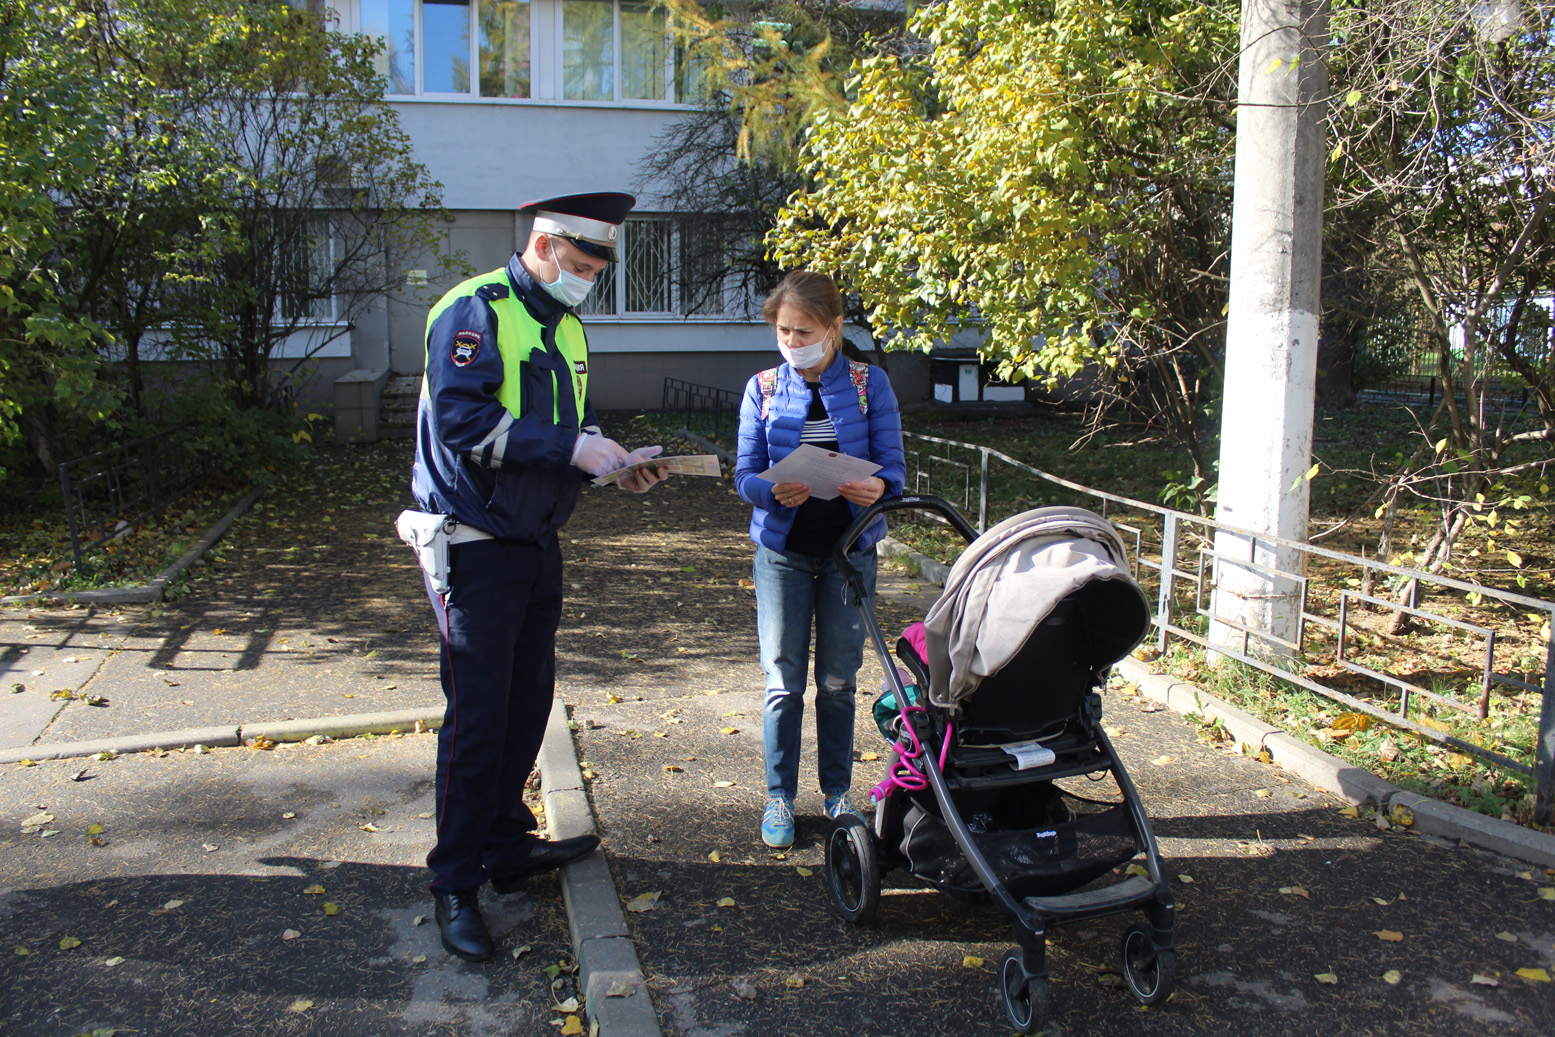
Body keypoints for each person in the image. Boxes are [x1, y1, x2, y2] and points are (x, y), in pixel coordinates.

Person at [405, 191, 666, 962]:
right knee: (478, 719)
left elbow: (556, 430)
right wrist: (569, 449)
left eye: (595, 270)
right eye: (578, 265)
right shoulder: (473, 309)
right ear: (543, 244)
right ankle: (454, 881)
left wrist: (606, 462)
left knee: (527, 706)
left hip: (533, 543)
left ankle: (507, 845)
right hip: (472, 543)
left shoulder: (566, 325)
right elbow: (464, 424)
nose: (585, 280)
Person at [733, 270, 906, 849]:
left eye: (803, 331)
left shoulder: (868, 383)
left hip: (848, 553)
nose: (791, 341)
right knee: (782, 682)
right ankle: (779, 797)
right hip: (782, 554)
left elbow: (894, 469)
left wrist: (877, 489)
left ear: (834, 329)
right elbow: (744, 474)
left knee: (838, 681)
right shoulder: (760, 387)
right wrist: (770, 491)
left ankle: (837, 793)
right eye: (783, 331)